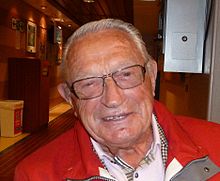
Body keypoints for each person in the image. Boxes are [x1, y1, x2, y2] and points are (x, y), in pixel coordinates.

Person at [15, 19, 220, 181]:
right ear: (71, 99)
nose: (112, 99)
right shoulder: (34, 174)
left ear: (151, 76)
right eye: (89, 83)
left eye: (126, 74)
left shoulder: (216, 143)